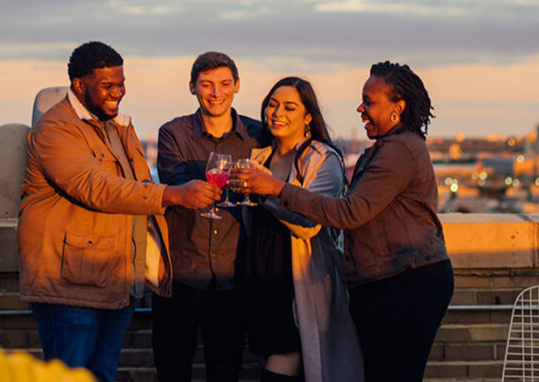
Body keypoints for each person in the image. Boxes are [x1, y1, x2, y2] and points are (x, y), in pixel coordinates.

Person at [235, 62, 453, 382]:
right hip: (386, 281)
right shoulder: (386, 148)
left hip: (407, 282)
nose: (360, 108)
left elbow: (349, 213)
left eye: (369, 101)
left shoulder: (400, 149)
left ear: (398, 106)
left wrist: (276, 188)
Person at [18, 41, 220, 382]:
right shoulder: (56, 129)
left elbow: (134, 190)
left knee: (101, 376)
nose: (118, 92)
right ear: (80, 86)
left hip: (114, 281)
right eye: (107, 86)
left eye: (121, 83)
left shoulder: (118, 126)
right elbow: (97, 187)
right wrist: (174, 194)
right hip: (70, 286)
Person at [241, 77, 364, 382]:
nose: (277, 112)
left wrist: (266, 190)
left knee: (281, 370)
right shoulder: (260, 155)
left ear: (308, 116)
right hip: (259, 278)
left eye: (289, 107)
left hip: (297, 282)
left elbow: (310, 222)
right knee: (266, 360)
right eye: (272, 104)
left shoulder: (323, 159)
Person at [153, 51, 264, 382]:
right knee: (172, 371)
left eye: (224, 84)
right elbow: (174, 185)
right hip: (180, 276)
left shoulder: (258, 136)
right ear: (192, 87)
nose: (216, 93)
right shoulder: (173, 133)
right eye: (207, 85)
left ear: (237, 86)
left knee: (226, 371)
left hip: (233, 277)